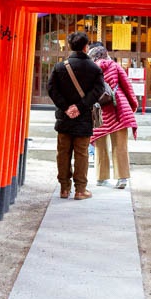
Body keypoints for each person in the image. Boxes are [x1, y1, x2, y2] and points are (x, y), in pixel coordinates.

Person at [46, 31, 105, 200]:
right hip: (83, 117)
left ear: (70, 46)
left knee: (63, 153)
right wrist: (80, 107)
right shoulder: (94, 68)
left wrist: (66, 107)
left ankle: (64, 188)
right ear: (86, 47)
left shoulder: (59, 67)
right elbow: (99, 90)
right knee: (82, 154)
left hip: (64, 118)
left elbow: (51, 89)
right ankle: (80, 190)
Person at [88, 45, 138, 189]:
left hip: (99, 111)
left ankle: (101, 177)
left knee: (100, 145)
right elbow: (127, 86)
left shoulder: (90, 70)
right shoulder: (115, 66)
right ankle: (122, 178)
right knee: (120, 146)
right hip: (118, 108)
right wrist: (132, 106)